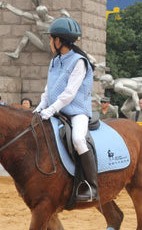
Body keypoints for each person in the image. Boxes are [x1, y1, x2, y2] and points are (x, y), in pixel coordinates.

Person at [34, 17, 97, 202]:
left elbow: (70, 93)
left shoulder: (79, 62)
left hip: (77, 111)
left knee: (78, 140)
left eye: (51, 38)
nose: (49, 42)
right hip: (57, 110)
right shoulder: (54, 61)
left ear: (59, 40)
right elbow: (49, 89)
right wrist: (40, 107)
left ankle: (92, 187)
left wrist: (50, 110)